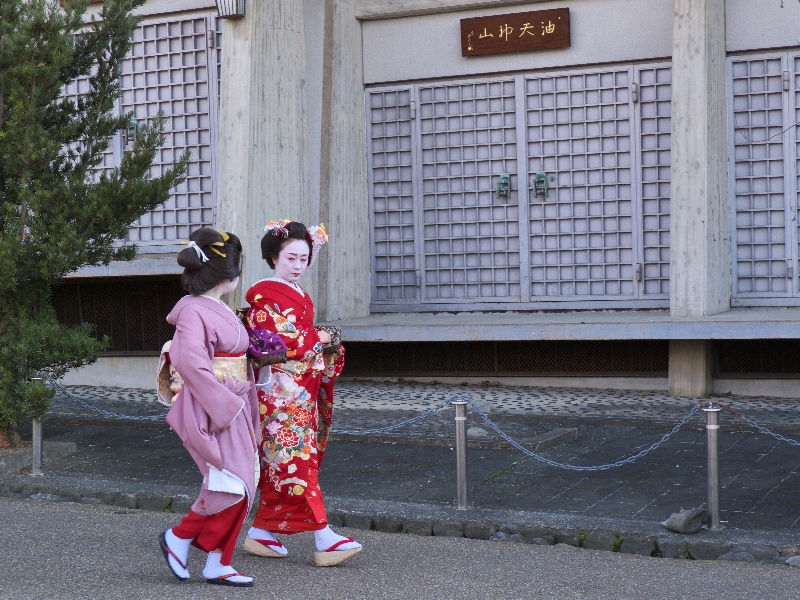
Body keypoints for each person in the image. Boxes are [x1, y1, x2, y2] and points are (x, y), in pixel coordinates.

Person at [242, 219, 361, 567]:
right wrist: (320, 340)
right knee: (296, 463)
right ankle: (324, 537)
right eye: (290, 258)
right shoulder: (264, 295)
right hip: (278, 394)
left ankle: (262, 531)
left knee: (284, 465)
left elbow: (298, 336)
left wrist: (321, 342)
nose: (297, 266)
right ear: (273, 258)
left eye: (303, 259)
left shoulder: (297, 294)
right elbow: (276, 342)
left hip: (296, 392)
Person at [158, 228, 259, 587]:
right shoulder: (192, 312)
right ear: (229, 275)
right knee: (228, 481)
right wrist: (226, 404)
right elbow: (190, 363)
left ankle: (218, 560)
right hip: (211, 406)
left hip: (232, 399)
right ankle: (181, 537)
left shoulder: (217, 308)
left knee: (242, 481)